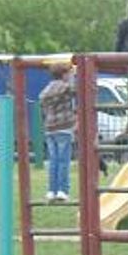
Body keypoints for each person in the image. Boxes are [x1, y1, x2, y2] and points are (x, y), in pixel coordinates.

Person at [38, 62, 78, 202]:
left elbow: (41, 102)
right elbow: (76, 90)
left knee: (53, 161)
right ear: (64, 74)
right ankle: (63, 190)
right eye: (68, 73)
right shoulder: (66, 87)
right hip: (64, 128)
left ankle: (51, 191)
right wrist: (73, 75)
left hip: (50, 128)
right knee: (63, 161)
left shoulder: (47, 88)